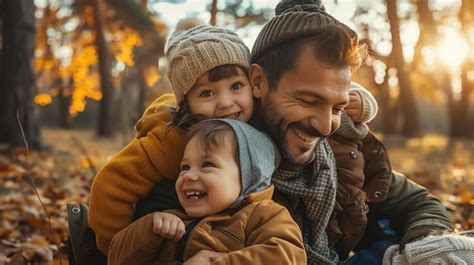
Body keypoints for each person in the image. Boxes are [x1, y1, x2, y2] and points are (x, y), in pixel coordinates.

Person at [245, 0, 453, 263]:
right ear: (258, 81)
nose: (324, 126)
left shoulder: (341, 150)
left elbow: (420, 204)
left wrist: (423, 248)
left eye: (337, 108)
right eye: (309, 100)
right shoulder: (212, 153)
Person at [88, 23, 254, 255]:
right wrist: (116, 247)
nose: (226, 102)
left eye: (236, 86)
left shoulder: (253, 129)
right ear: (186, 104)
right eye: (207, 93)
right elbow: (111, 184)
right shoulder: (174, 141)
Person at [107, 119, 306, 264]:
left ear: (249, 176)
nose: (189, 176)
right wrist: (149, 227)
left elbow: (287, 256)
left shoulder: (262, 215)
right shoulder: (173, 219)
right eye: (185, 167)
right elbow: (115, 258)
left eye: (207, 165)